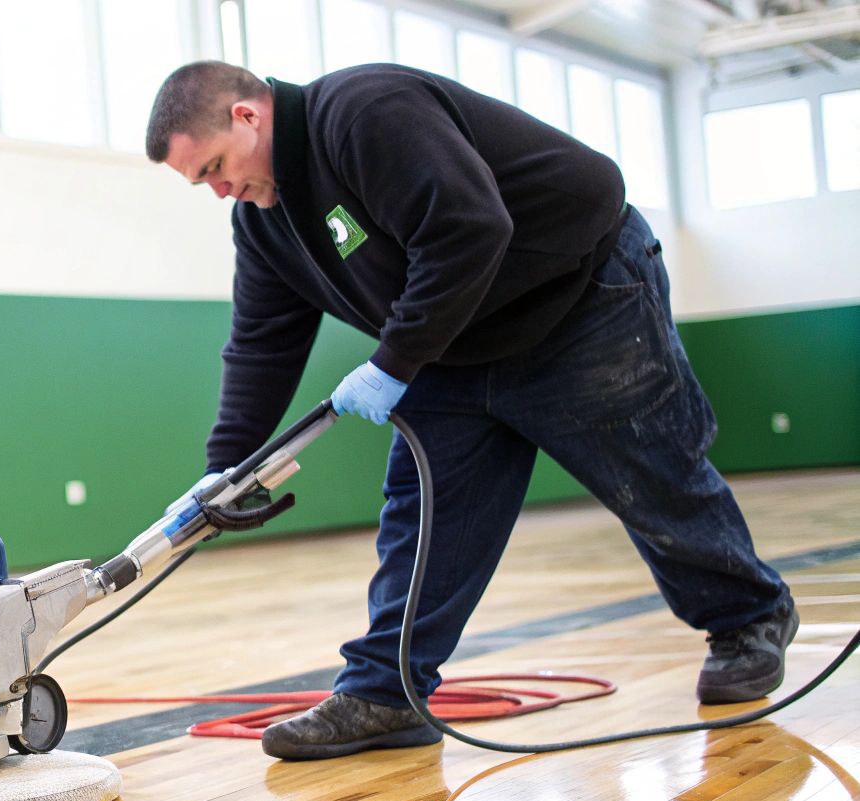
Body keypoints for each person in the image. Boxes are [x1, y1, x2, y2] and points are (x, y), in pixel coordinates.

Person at [145, 61, 796, 760]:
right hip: (455, 340)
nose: (219, 191)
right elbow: (262, 346)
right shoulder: (266, 223)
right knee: (424, 514)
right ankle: (385, 693)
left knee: (652, 473)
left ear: (249, 116)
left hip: (578, 300)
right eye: (201, 183)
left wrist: (393, 363)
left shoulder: (366, 114)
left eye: (215, 167)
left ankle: (749, 620)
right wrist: (225, 470)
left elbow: (468, 229)